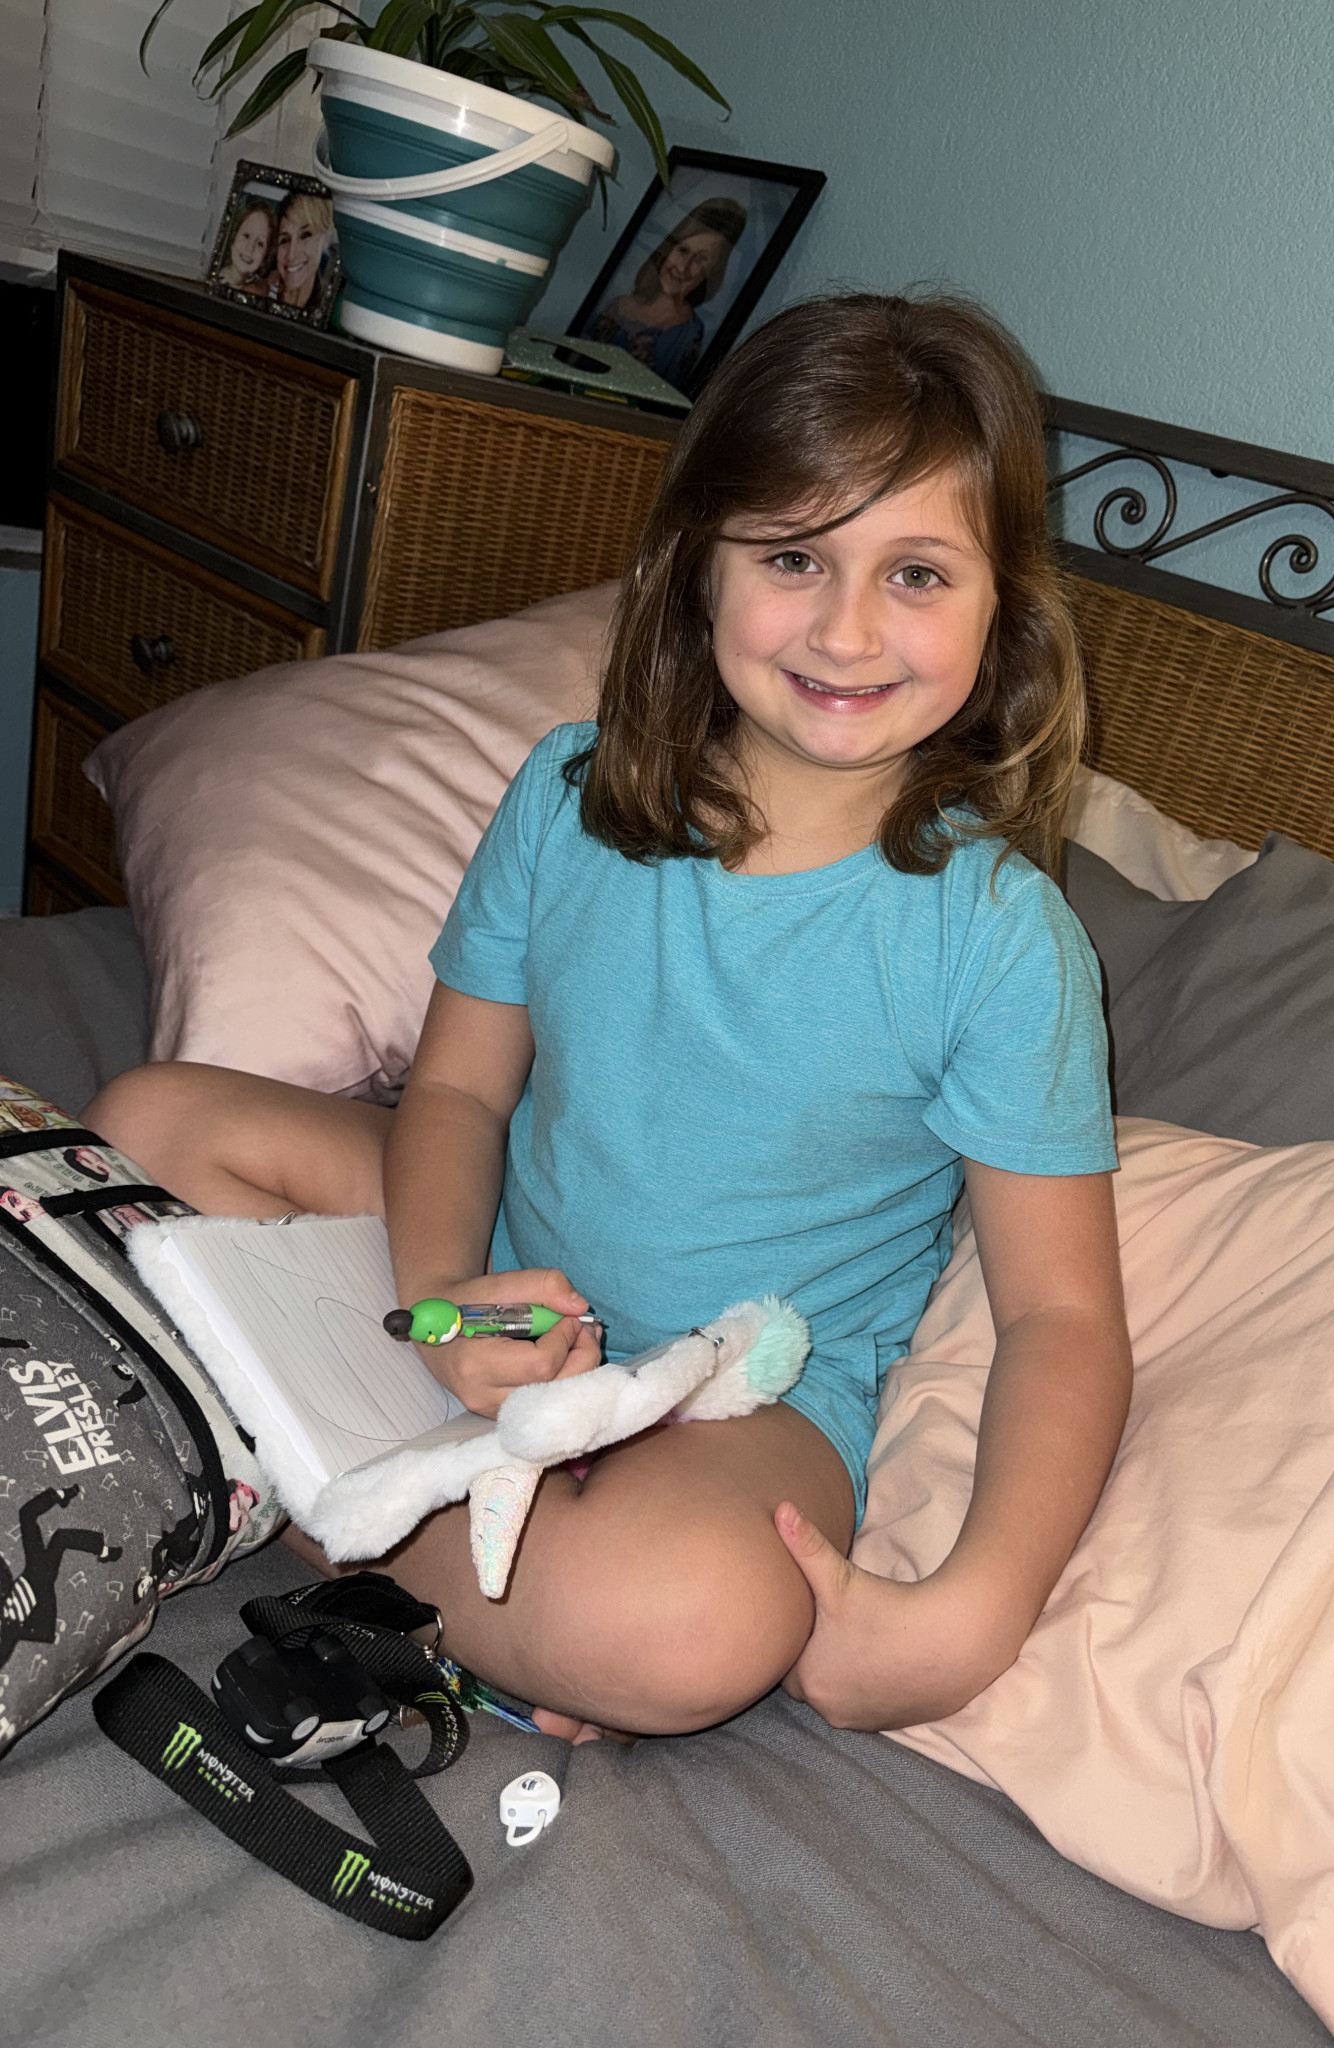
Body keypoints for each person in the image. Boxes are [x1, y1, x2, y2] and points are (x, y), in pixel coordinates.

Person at [84, 293, 1132, 1746]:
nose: (846, 628)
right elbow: (455, 1094)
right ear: (696, 567)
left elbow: (1063, 1317)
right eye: (792, 557)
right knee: (145, 1123)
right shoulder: (570, 794)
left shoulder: (1003, 941)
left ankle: (318, 1490)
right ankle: (446, 1552)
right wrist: (442, 1307)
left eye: (916, 573)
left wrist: (976, 1608)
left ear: (1001, 608)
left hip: (739, 1392)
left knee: (695, 1623)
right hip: (494, 1258)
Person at [582, 196, 746, 388]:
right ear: (667, 249)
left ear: (712, 272)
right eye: (683, 250)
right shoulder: (618, 305)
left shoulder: (688, 335)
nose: (683, 268)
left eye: (700, 259)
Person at [268, 191, 337, 312]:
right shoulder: (257, 290)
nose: (291, 255)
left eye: (305, 235)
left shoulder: (329, 310)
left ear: (325, 239)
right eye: (284, 240)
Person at [217, 198, 275, 295]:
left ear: (265, 256)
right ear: (233, 237)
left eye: (260, 243)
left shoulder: (267, 291)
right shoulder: (211, 278)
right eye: (246, 236)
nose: (250, 248)